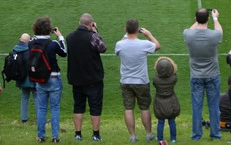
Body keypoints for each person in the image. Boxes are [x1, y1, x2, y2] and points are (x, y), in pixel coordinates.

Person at [115, 19, 160, 142]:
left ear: (125, 30)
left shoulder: (120, 44)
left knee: (128, 108)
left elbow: (120, 46)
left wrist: (126, 34)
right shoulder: (144, 44)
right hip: (141, 81)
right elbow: (157, 45)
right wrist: (149, 35)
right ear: (138, 30)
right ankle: (149, 134)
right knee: (144, 108)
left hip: (126, 81)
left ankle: (132, 136)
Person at [183, 8, 223, 141]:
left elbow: (191, 30)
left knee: (196, 107)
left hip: (196, 76)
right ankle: (215, 134)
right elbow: (220, 31)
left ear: (195, 19)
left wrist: (198, 20)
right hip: (212, 75)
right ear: (208, 19)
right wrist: (216, 18)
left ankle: (196, 135)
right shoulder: (213, 35)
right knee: (214, 106)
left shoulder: (188, 35)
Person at [66, 13, 107, 142]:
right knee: (95, 107)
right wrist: (95, 31)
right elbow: (103, 48)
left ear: (79, 23)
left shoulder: (70, 37)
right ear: (90, 24)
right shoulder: (92, 36)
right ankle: (96, 134)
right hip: (93, 78)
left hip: (76, 78)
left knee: (78, 106)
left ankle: (78, 133)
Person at [31, 17, 67, 143]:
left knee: (41, 108)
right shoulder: (53, 44)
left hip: (39, 79)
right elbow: (64, 52)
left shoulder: (32, 43)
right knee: (55, 108)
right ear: (49, 30)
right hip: (53, 77)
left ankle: (41, 136)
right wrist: (60, 37)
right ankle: (55, 137)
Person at [153, 57, 180, 143]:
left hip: (159, 103)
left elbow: (156, 79)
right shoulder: (173, 79)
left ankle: (160, 138)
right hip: (171, 103)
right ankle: (173, 139)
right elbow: (175, 74)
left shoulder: (156, 80)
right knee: (172, 121)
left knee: (160, 122)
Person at [14, 33, 37, 123]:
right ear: (28, 40)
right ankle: (39, 118)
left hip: (21, 77)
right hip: (31, 77)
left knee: (24, 97)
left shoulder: (15, 48)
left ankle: (24, 118)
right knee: (36, 96)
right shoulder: (29, 49)